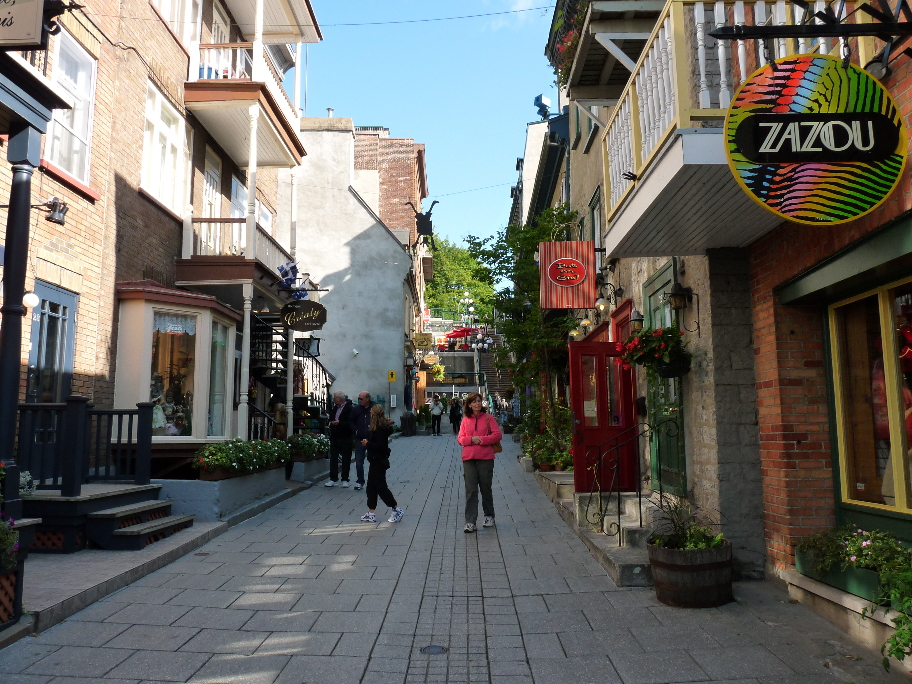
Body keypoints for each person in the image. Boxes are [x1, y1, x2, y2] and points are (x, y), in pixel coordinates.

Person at [457, 392, 502, 533]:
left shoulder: (488, 418)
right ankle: (470, 521)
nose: (477, 404)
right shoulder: (465, 420)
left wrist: (482, 440)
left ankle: (489, 515)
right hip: (469, 458)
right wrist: (471, 440)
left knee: (485, 488)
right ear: (469, 404)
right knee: (471, 490)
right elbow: (460, 439)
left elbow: (497, 435)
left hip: (486, 458)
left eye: (479, 401)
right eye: (474, 401)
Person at [359, 404, 404, 523]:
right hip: (375, 460)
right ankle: (371, 512)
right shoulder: (379, 427)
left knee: (381, 487)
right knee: (371, 487)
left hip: (378, 460)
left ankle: (396, 509)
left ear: (373, 415)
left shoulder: (379, 429)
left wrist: (367, 444)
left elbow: (380, 446)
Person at [325, 391, 353, 487]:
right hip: (335, 436)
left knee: (346, 458)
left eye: (334, 398)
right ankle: (333, 478)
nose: (333, 400)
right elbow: (331, 418)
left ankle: (345, 479)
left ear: (340, 398)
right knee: (333, 458)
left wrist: (339, 422)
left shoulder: (349, 408)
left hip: (345, 436)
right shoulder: (335, 408)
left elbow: (350, 422)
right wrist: (331, 421)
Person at [349, 391, 373, 490]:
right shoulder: (356, 409)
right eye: (359, 398)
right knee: (359, 461)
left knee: (374, 460)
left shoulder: (374, 408)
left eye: (361, 399)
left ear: (367, 399)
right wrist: (356, 431)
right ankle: (360, 481)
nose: (360, 400)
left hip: (372, 438)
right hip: (359, 438)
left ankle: (373, 481)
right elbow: (351, 421)